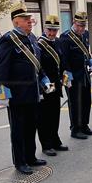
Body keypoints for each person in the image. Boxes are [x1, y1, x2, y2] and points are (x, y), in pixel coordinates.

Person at [0, 3, 53, 174]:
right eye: (25, 19)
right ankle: (20, 161)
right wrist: (2, 92)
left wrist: (44, 78)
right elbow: (1, 68)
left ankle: (31, 156)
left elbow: (37, 64)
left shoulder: (32, 38)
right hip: (17, 94)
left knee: (31, 126)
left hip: (33, 92)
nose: (29, 21)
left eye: (29, 18)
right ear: (15, 22)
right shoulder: (8, 40)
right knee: (18, 129)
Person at [59, 11, 92, 139]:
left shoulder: (85, 34)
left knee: (86, 100)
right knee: (75, 102)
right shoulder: (65, 37)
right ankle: (75, 128)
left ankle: (84, 125)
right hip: (71, 75)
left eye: (83, 26)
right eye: (79, 25)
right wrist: (66, 76)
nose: (81, 28)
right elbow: (63, 59)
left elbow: (85, 51)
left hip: (84, 73)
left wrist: (90, 61)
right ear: (73, 23)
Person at [37, 15, 69, 156]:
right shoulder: (39, 44)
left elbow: (62, 64)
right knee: (45, 116)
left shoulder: (57, 42)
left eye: (54, 31)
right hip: (45, 85)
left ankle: (55, 140)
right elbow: (38, 66)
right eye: (49, 30)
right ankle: (46, 144)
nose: (51, 33)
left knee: (55, 114)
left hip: (56, 84)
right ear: (45, 29)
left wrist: (66, 80)